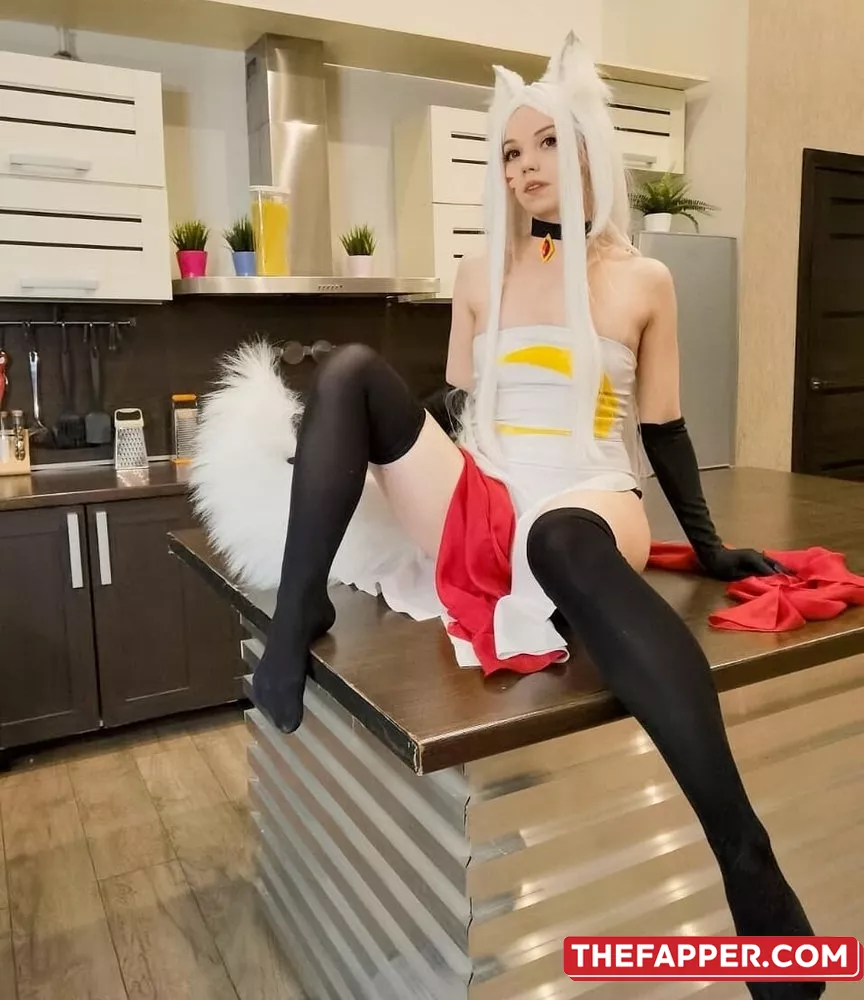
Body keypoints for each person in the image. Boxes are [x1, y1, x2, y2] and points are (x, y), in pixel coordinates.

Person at [199, 33, 822, 1000]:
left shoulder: (643, 281)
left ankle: (746, 857)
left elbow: (664, 432)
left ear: (590, 151)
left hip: (587, 497)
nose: (524, 166)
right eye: (509, 151)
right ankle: (296, 618)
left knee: (559, 539)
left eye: (546, 144)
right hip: (484, 494)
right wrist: (342, 455)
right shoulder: (478, 271)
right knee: (350, 372)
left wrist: (709, 548)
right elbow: (453, 410)